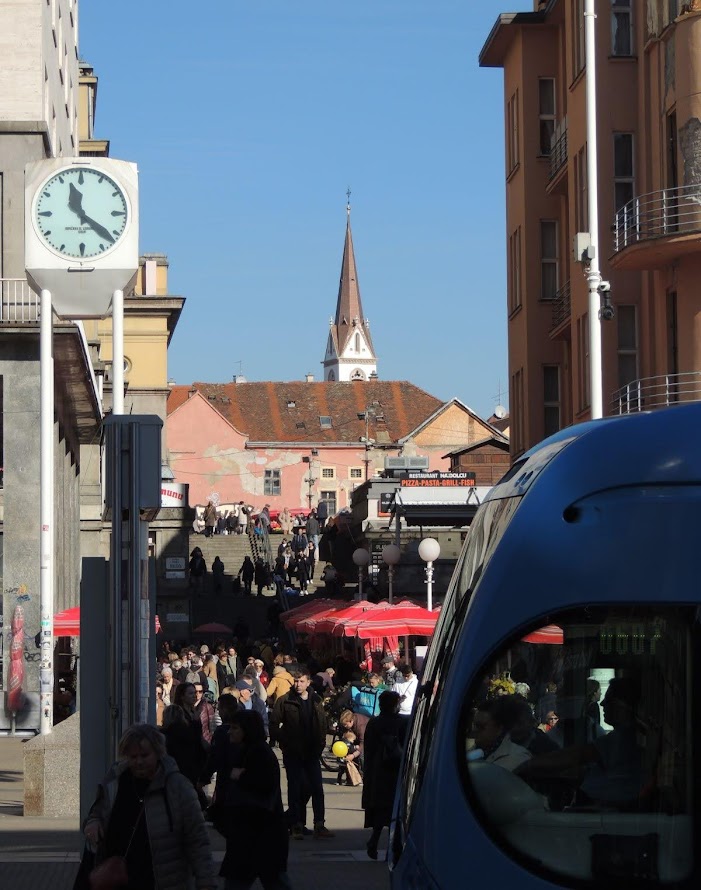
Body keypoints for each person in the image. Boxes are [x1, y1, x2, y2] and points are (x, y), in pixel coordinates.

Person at [80, 723, 217, 890]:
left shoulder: (178, 787)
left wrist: (206, 883)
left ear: (158, 753)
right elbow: (97, 812)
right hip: (117, 879)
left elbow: (198, 840)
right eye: (133, 756)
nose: (138, 762)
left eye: (144, 755)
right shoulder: (116, 781)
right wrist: (93, 823)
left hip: (161, 880)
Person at [219, 709, 291, 890]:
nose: (230, 731)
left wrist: (240, 777)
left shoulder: (258, 752)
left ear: (247, 730)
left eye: (235, 728)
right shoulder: (248, 750)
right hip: (254, 835)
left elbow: (263, 785)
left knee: (268, 880)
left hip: (258, 834)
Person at [270, 669, 335, 840]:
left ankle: (319, 824)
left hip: (312, 752)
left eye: (301, 681)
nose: (298, 685)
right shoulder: (285, 701)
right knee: (295, 788)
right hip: (293, 752)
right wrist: (285, 741)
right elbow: (273, 724)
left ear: (308, 683)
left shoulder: (316, 700)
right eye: (296, 681)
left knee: (316, 789)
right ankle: (296, 824)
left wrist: (321, 744)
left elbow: (322, 724)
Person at [362, 690, 407, 860]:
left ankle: (374, 841)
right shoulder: (402, 722)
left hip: (378, 771)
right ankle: (392, 847)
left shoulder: (374, 723)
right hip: (397, 770)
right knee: (396, 809)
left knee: (381, 809)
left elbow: (369, 749)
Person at [471, 697, 532, 771]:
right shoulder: (470, 752)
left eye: (481, 726)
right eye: (474, 725)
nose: (474, 730)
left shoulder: (519, 758)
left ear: (499, 728)